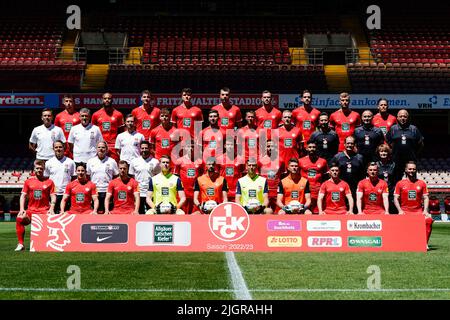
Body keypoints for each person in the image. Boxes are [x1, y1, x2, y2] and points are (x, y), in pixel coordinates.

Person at [15, 160, 56, 251]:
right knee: (19, 218)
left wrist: (52, 208)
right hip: (31, 211)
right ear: (34, 169)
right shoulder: (28, 181)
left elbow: (53, 196)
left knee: (54, 221)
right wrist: (22, 209)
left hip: (44, 211)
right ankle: (21, 244)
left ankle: (49, 244)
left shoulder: (50, 182)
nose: (39, 170)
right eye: (37, 168)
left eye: (41, 168)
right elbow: (23, 196)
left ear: (44, 169)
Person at [394, 161, 433, 248]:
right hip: (404, 211)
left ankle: (424, 244)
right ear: (406, 170)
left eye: (414, 169)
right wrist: (400, 211)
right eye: (410, 169)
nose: (412, 170)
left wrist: (425, 210)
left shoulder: (422, 183)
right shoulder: (400, 183)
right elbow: (396, 198)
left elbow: (426, 197)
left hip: (418, 212)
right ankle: (402, 242)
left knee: (429, 220)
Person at [386, 109, 424, 182]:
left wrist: (414, 154)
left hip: (410, 160)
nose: (402, 118)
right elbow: (388, 141)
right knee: (395, 180)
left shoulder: (414, 129)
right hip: (396, 160)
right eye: (400, 116)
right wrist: (393, 152)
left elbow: (421, 144)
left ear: (408, 117)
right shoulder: (393, 129)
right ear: (397, 117)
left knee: (412, 181)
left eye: (404, 116)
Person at [44, 140, 76, 214]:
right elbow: (46, 179)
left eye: (60, 147)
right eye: (56, 147)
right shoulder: (48, 163)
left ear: (64, 148)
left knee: (65, 216)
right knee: (52, 215)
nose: (58, 149)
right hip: (53, 194)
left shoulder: (70, 162)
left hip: (66, 194)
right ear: (53, 149)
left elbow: (74, 179)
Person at [86, 141, 119, 214]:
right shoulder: (90, 161)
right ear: (96, 149)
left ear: (107, 149)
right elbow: (88, 177)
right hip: (95, 192)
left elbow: (116, 176)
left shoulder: (112, 161)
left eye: (103, 147)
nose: (101, 149)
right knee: (95, 213)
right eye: (99, 147)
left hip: (108, 191)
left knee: (107, 212)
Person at [129, 141, 161, 214]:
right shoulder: (134, 161)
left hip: (151, 193)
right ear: (140, 149)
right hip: (138, 193)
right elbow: (131, 178)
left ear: (149, 149)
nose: (144, 150)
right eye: (142, 148)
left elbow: (158, 177)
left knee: (151, 213)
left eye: (146, 148)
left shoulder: (155, 162)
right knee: (139, 213)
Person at [91, 92, 125, 162]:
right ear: (102, 100)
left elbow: (122, 132)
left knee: (114, 167)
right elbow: (93, 132)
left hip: (113, 146)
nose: (107, 100)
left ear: (112, 100)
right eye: (105, 98)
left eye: (109, 98)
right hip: (100, 145)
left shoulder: (118, 114)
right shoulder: (96, 115)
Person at [298, 141, 329, 214]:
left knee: (317, 212)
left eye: (314, 147)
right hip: (305, 191)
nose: (312, 149)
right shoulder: (300, 161)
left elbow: (326, 176)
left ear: (316, 148)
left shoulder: (323, 161)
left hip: (318, 190)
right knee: (304, 211)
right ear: (306, 148)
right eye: (310, 147)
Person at [174, 142, 204, 214]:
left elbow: (202, 177)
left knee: (195, 214)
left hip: (196, 193)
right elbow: (175, 177)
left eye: (192, 147)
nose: (190, 148)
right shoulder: (179, 161)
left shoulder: (200, 161)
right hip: (184, 193)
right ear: (184, 148)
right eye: (188, 146)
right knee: (183, 213)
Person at [258, 139, 285, 211]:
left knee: (278, 212)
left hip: (277, 192)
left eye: (272, 146)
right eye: (268, 146)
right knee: (265, 212)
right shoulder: (260, 160)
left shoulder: (281, 160)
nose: (270, 148)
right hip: (265, 192)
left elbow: (283, 175)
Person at [218, 138, 245, 203]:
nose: (230, 146)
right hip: (223, 192)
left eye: (231, 144)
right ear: (224, 145)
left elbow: (243, 175)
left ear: (235, 145)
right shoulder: (219, 159)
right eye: (228, 144)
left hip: (237, 192)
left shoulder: (240, 159)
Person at [376, 144, 397, 213]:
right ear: (378, 153)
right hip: (379, 191)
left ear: (388, 152)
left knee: (391, 211)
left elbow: (396, 179)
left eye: (385, 151)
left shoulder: (393, 165)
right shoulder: (375, 165)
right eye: (381, 151)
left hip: (391, 191)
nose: (383, 153)